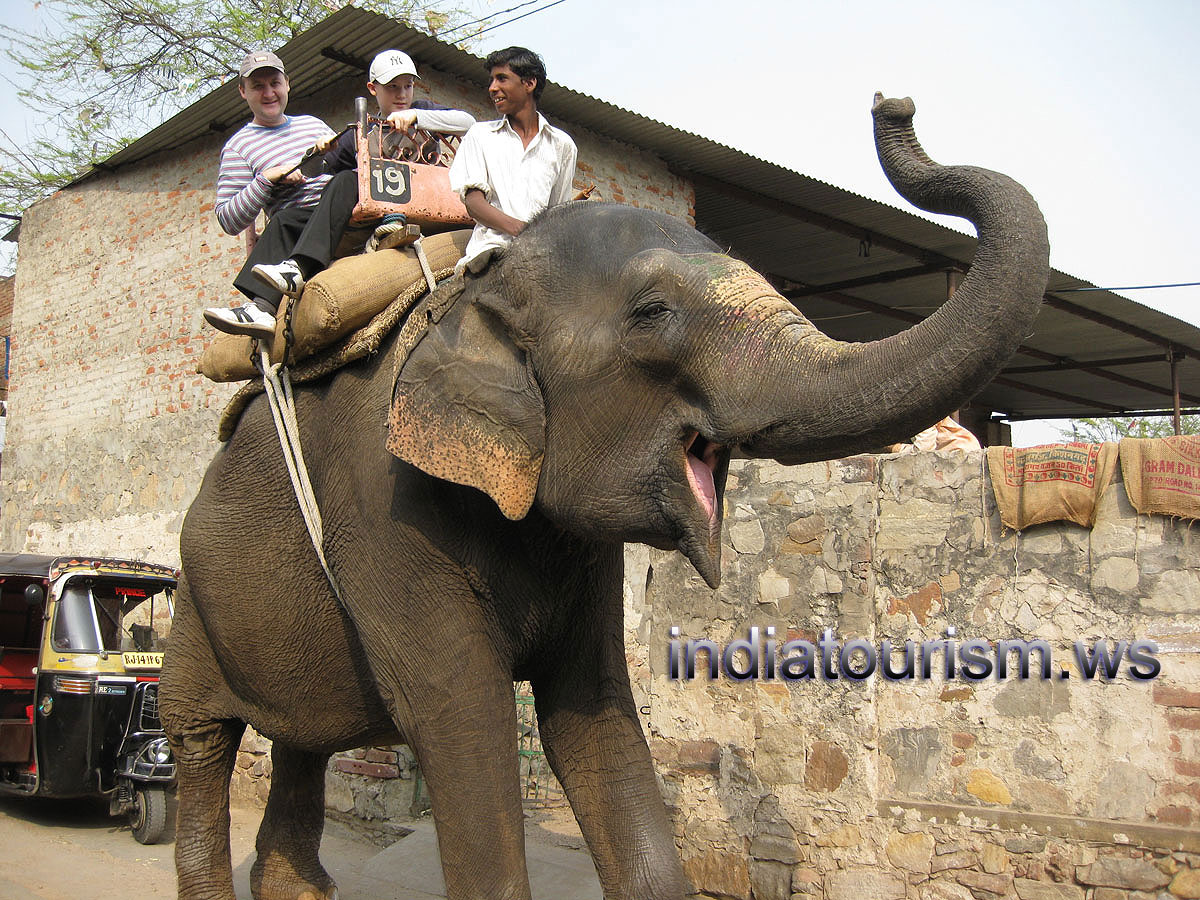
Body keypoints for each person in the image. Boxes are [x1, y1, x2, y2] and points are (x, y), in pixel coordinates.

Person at [205, 50, 475, 338]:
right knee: (285, 218)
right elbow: (321, 168)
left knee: (349, 180)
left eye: (407, 86)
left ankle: (298, 266)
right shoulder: (362, 130)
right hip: (319, 217)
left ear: (287, 84)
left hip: (388, 204)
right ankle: (262, 305)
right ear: (242, 91)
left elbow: (467, 122)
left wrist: (416, 116)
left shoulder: (420, 110)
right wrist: (289, 169)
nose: (401, 94)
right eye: (258, 86)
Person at [448, 47, 577, 275]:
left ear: (529, 84)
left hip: (541, 259)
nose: (492, 88)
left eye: (502, 79)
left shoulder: (562, 146)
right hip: (490, 254)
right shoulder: (479, 135)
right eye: (491, 80)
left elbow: (558, 214)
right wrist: (524, 232)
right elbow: (474, 203)